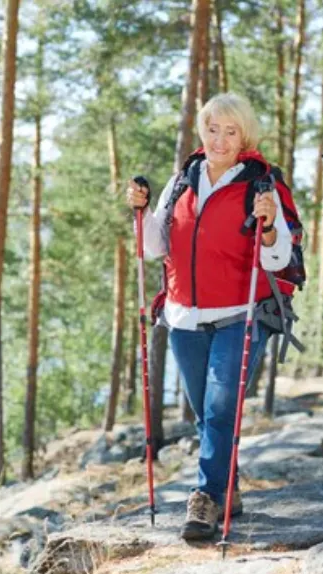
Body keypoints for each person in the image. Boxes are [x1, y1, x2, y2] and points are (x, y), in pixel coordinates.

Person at [127, 93, 296, 540]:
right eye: (213, 129)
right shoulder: (183, 179)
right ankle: (229, 488)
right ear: (202, 131)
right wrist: (141, 213)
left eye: (231, 131)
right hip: (184, 318)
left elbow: (281, 258)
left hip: (240, 314)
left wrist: (272, 223)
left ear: (245, 136)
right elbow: (153, 247)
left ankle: (204, 498)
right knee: (206, 414)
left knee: (222, 408)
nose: (220, 139)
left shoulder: (262, 183)